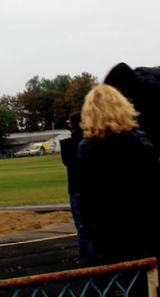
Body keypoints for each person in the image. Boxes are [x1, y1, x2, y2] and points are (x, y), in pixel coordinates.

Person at [78, 84, 160, 296]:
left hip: (109, 237)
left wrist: (91, 234)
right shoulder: (139, 143)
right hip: (145, 235)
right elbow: (156, 193)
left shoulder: (86, 150)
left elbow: (86, 199)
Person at [60, 112, 92, 265]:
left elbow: (68, 162)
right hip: (92, 188)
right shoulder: (91, 141)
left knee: (81, 226)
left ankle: (87, 261)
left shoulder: (67, 145)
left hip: (76, 189)